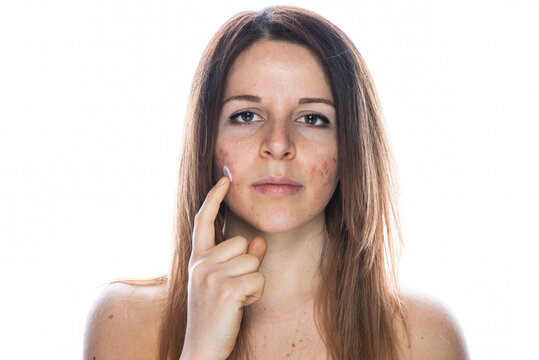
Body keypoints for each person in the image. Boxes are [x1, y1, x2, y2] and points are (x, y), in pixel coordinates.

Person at [84, 5, 469, 360]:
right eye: (247, 115)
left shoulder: (423, 336)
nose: (279, 145)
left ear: (349, 146)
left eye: (312, 118)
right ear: (208, 142)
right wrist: (198, 349)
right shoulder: (124, 321)